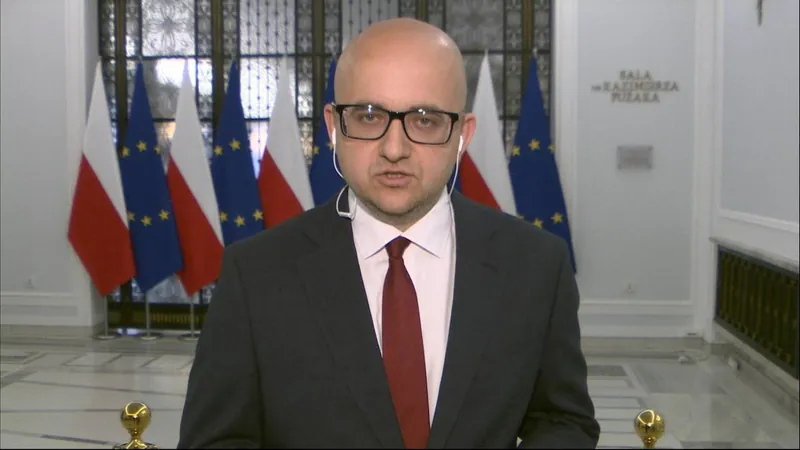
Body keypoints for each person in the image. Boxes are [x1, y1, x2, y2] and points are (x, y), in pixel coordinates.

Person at [178, 18, 599, 449]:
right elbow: (215, 440)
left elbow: (563, 420)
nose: (394, 149)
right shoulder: (256, 273)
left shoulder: (536, 265)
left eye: (425, 120)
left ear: (462, 135)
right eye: (368, 116)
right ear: (333, 127)